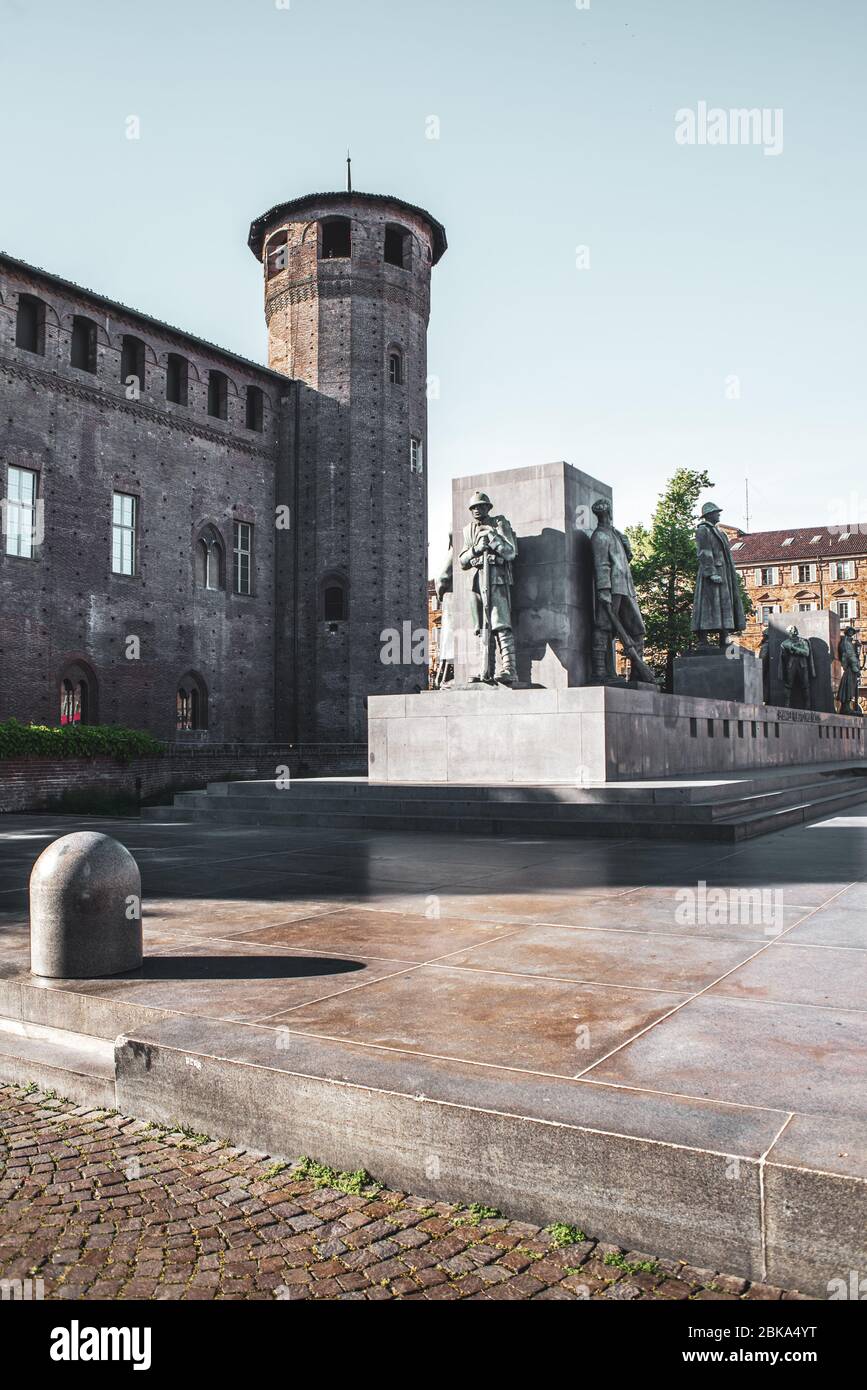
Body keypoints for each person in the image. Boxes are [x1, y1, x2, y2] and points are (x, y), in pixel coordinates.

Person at [459, 491, 518, 685]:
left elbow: (511, 552)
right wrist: (475, 549)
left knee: (500, 624)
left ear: (488, 508)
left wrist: (492, 538)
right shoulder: (467, 530)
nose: (477, 510)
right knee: (481, 628)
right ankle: (485, 668)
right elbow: (462, 561)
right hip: (477, 582)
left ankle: (509, 668)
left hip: (496, 579)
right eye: (474, 507)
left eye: (481, 506)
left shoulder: (499, 523)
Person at [589, 497, 647, 683]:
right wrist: (603, 589)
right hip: (613, 588)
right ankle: (600, 671)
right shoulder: (599, 536)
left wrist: (627, 549)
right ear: (608, 513)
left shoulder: (615, 534)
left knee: (637, 630)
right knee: (604, 627)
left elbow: (623, 561)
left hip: (625, 587)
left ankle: (638, 671)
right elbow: (601, 565)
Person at [691, 501, 746, 649]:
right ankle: (703, 640)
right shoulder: (703, 530)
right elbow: (704, 552)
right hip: (712, 573)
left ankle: (724, 638)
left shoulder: (720, 532)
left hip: (724, 573)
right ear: (709, 514)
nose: (719, 514)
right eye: (716, 512)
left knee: (724, 606)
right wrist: (711, 573)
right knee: (707, 606)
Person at [778, 625, 816, 710]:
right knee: (788, 685)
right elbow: (783, 657)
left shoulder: (803, 641)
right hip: (791, 664)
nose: (793, 632)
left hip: (802, 665)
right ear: (789, 632)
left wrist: (794, 648)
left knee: (805, 685)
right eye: (791, 631)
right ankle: (786, 705)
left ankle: (807, 705)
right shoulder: (784, 643)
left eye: (794, 630)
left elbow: (806, 653)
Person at [838, 625, 862, 715]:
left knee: (851, 688)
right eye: (850, 631)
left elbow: (853, 655)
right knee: (848, 688)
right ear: (847, 632)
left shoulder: (850, 643)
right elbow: (849, 656)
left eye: (852, 632)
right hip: (850, 669)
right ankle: (845, 708)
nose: (851, 633)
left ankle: (847, 707)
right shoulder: (846, 642)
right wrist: (856, 669)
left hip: (852, 669)